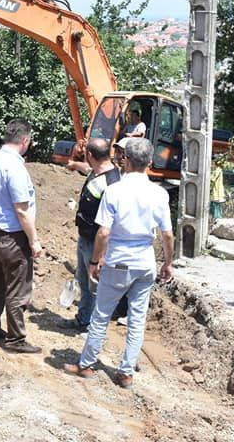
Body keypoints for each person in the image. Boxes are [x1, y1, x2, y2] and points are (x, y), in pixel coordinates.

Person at [63, 138, 174, 388]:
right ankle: (125, 373)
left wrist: (95, 261)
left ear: (127, 160)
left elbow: (103, 233)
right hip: (145, 263)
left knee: (101, 314)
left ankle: (87, 365)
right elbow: (167, 234)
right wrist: (168, 263)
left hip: (119, 261)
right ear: (150, 162)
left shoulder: (115, 191)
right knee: (137, 318)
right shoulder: (159, 194)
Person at [0, 118, 43, 354]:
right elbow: (22, 210)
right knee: (18, 286)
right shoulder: (15, 167)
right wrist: (34, 240)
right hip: (12, 234)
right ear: (25, 140)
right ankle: (16, 339)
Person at [61, 139, 124, 333]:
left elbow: (111, 224)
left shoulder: (112, 183)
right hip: (86, 237)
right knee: (83, 281)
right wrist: (73, 165)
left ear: (90, 155)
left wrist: (101, 255)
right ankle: (83, 319)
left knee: (95, 285)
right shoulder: (98, 171)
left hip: (97, 243)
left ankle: (94, 327)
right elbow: (88, 168)